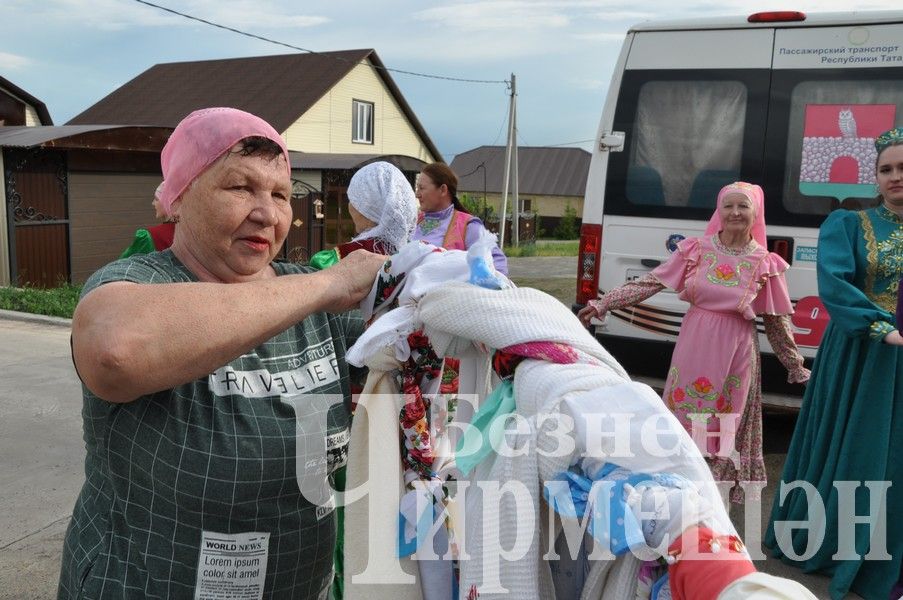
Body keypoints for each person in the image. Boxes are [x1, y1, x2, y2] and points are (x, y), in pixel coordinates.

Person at [58, 107, 386, 599]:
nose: (267, 212)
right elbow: (115, 352)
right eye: (239, 188)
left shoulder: (317, 301)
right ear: (180, 197)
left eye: (280, 194)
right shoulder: (140, 282)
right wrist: (330, 282)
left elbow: (427, 354)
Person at [578, 182, 810, 504]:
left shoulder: (765, 262)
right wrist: (604, 303)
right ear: (719, 211)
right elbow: (651, 282)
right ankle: (676, 492)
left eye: (743, 206)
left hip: (735, 351)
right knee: (684, 420)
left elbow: (776, 319)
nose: (735, 213)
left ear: (755, 213)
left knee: (723, 427)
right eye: (728, 206)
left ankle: (711, 503)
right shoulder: (696, 250)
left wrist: (794, 365)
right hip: (694, 346)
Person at [765, 127, 903, 600]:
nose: (895, 177)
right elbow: (836, 284)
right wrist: (880, 326)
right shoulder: (848, 225)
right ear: (875, 178)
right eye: (886, 169)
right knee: (863, 447)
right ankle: (846, 543)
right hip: (864, 354)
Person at [309, 161, 418, 270]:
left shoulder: (343, 257)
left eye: (354, 200)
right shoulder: (413, 252)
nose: (350, 206)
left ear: (368, 209)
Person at [413, 162, 507, 274]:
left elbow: (497, 263)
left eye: (422, 188)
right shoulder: (413, 222)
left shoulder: (468, 226)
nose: (417, 194)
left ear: (443, 190)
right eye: (417, 188)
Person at [119, 181, 176, 258]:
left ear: (167, 202)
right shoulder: (189, 231)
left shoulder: (150, 236)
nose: (153, 203)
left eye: (156, 199)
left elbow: (123, 264)